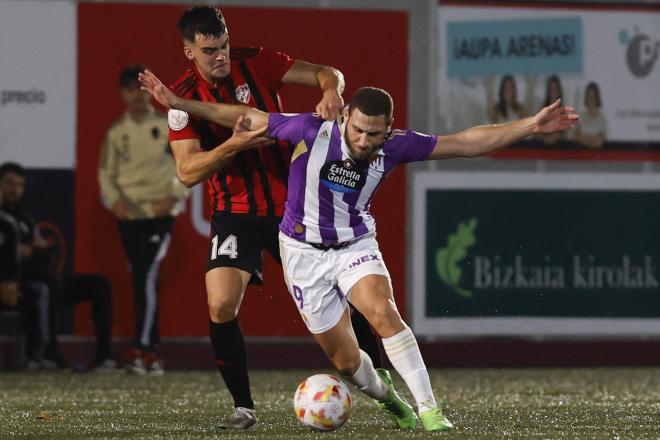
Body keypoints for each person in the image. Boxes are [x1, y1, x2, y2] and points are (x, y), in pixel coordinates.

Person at [139, 69, 579, 431]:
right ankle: (389, 399)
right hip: (302, 254)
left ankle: (430, 410)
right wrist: (180, 103)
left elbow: (465, 142)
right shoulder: (310, 130)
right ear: (346, 117)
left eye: (376, 134)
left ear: (389, 128)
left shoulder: (396, 145)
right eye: (360, 131)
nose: (366, 142)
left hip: (355, 244)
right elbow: (243, 115)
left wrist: (529, 126)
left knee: (383, 312)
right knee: (346, 361)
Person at [162, 5, 382, 428]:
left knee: (352, 301)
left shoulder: (256, 61)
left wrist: (330, 91)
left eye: (223, 45)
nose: (221, 56)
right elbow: (187, 173)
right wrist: (235, 144)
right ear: (189, 51)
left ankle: (386, 382)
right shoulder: (181, 99)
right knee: (221, 304)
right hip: (235, 214)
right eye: (209, 51)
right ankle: (243, 407)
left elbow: (327, 72)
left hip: (294, 210)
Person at [98, 65, 190, 375]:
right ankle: (149, 353)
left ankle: (144, 350)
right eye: (129, 91)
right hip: (129, 216)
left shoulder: (167, 125)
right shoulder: (117, 132)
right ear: (122, 94)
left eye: (141, 90)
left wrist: (175, 194)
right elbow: (105, 173)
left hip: (160, 214)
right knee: (141, 278)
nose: (136, 97)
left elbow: (188, 161)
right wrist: (116, 203)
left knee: (145, 274)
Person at [1, 162, 115, 371]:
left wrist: (28, 250)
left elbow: (44, 253)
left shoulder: (25, 218)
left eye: (19, 185)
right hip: (12, 282)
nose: (14, 190)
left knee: (99, 284)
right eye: (9, 183)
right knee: (46, 283)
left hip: (36, 274)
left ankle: (104, 358)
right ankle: (47, 354)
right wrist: (25, 251)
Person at [573, 82, 606, 149]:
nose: (591, 98)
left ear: (597, 97)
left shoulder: (602, 119)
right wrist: (592, 138)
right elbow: (576, 137)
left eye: (593, 95)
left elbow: (598, 142)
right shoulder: (580, 117)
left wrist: (584, 137)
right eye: (589, 95)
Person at [539, 75, 566, 146]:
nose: (553, 92)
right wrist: (544, 138)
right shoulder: (542, 110)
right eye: (551, 89)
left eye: (555, 89)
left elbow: (566, 134)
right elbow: (536, 130)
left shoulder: (564, 111)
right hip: (543, 147)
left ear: (559, 91)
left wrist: (557, 137)